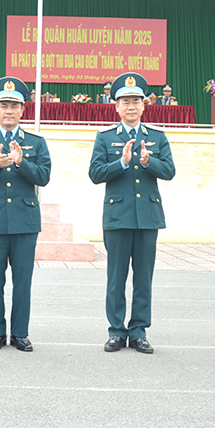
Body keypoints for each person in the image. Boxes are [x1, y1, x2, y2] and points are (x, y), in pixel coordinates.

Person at [89, 73, 175, 353]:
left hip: (147, 216)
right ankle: (116, 331)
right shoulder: (105, 138)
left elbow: (170, 171)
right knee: (116, 278)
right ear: (116, 106)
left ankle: (138, 331)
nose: (131, 106)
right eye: (125, 101)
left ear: (144, 104)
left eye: (136, 101)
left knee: (143, 278)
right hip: (117, 217)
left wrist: (150, 162)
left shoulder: (157, 137)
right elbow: (95, 174)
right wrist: (122, 163)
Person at [0, 77, 51, 352]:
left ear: (23, 110)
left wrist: (21, 162)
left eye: (14, 105)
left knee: (23, 281)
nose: (9, 110)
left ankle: (20, 333)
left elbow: (44, 176)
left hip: (24, 223)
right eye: (4, 105)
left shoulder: (36, 143)